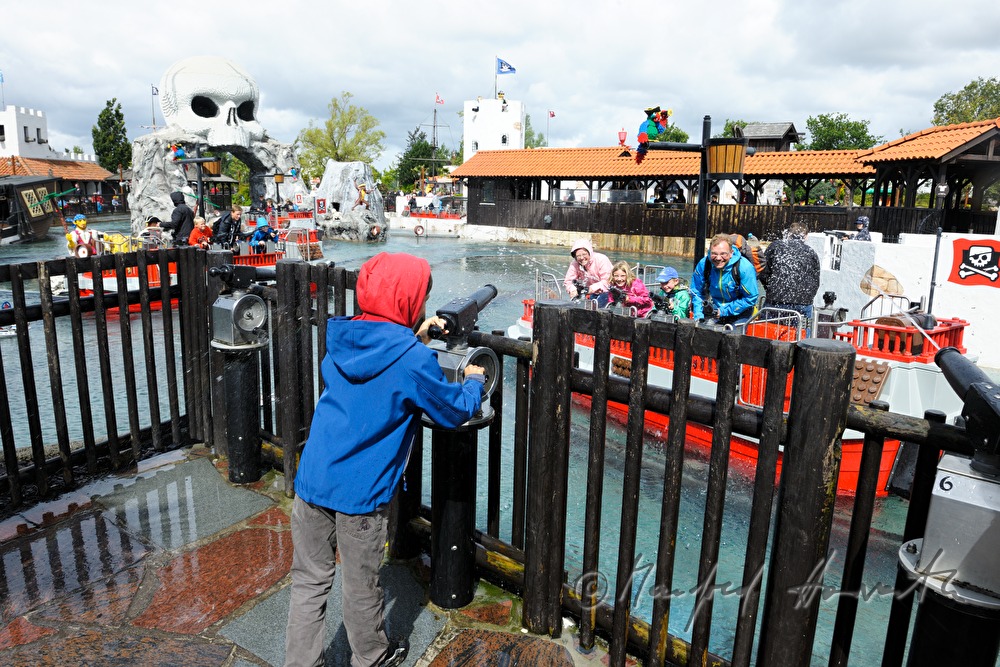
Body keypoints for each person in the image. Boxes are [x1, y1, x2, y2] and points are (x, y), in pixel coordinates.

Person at [284, 252, 485, 667]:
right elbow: (451, 410)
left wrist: (417, 334)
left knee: (309, 581)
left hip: (313, 479)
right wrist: (473, 382)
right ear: (409, 301)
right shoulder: (412, 359)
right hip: (360, 493)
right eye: (421, 299)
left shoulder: (343, 338)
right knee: (361, 585)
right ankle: (371, 656)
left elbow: (379, 364)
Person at [690, 234, 759, 326]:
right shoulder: (704, 264)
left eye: (723, 254)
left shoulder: (744, 268)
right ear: (709, 252)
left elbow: (751, 298)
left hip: (740, 311)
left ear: (731, 253)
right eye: (714, 253)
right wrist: (698, 315)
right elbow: (697, 292)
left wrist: (724, 311)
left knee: (732, 337)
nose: (718, 258)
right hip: (714, 310)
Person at [760, 222, 821, 326]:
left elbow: (763, 272)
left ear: (788, 234)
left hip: (776, 300)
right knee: (801, 338)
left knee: (768, 336)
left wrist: (772, 288)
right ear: (806, 236)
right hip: (803, 303)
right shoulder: (811, 252)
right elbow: (815, 281)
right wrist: (807, 297)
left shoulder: (776, 246)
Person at [563, 239, 613, 306]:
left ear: (589, 252)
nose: (582, 258)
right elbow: (568, 281)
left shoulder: (601, 259)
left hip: (608, 292)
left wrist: (592, 288)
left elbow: (608, 281)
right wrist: (572, 289)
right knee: (576, 302)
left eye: (584, 254)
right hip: (589, 293)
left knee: (599, 302)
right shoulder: (575, 263)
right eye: (578, 256)